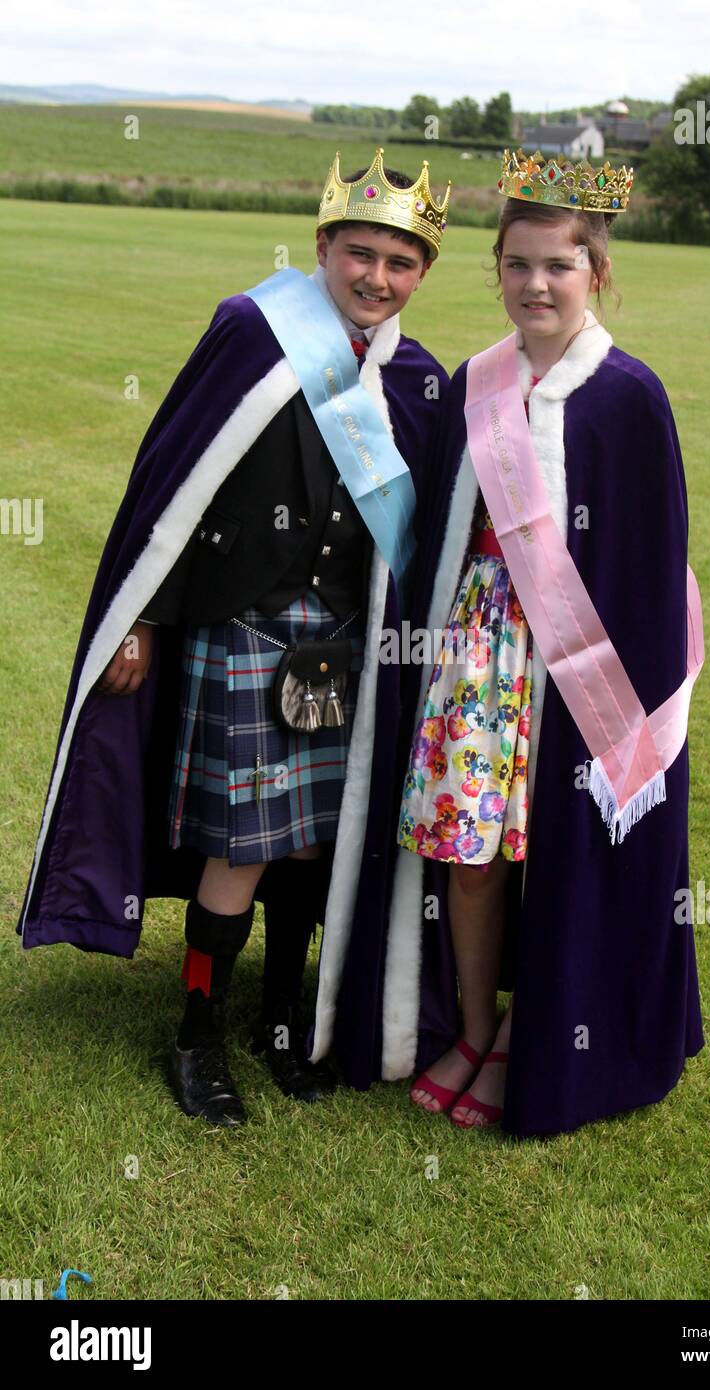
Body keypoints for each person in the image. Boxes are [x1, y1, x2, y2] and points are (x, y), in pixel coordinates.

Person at [16, 148, 451, 1127]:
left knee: (313, 849)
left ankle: (283, 1022)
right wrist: (141, 617)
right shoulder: (253, 331)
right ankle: (198, 1032)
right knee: (242, 846)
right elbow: (170, 486)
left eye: (400, 261)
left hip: (345, 642)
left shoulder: (416, 379)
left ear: (422, 273)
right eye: (359, 253)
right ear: (321, 246)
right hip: (239, 624)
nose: (376, 277)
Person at [338, 149, 705, 1139]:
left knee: (560, 857)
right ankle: (471, 1024)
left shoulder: (630, 397)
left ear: (596, 273)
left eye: (558, 264)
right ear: (494, 269)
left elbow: (645, 566)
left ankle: (539, 1039)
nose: (535, 284)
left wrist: (630, 726)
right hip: (476, 660)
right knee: (471, 855)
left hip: (581, 674)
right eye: (517, 264)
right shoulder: (475, 384)